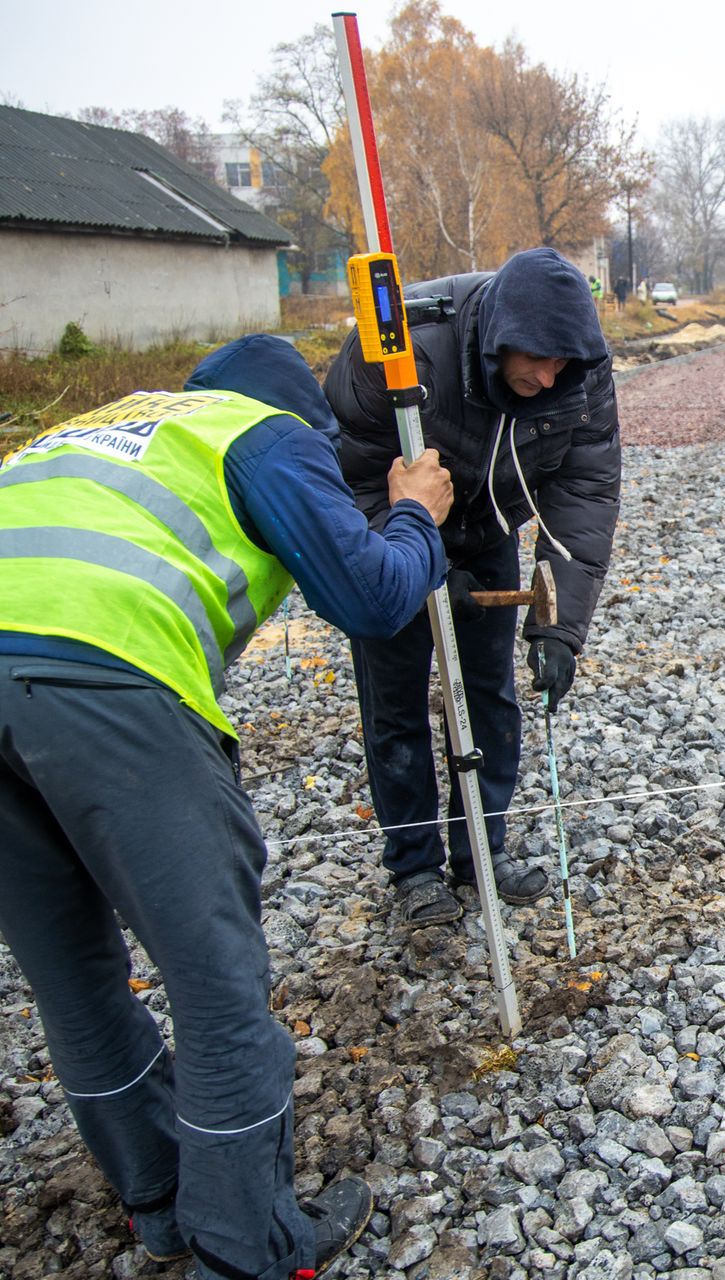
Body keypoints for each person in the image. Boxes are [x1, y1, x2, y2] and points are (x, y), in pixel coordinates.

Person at [0, 336, 452, 1278]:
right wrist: (415, 517)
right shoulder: (262, 434)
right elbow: (373, 599)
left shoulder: (91, 426)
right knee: (216, 986)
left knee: (74, 977)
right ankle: (248, 1247)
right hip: (101, 681)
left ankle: (160, 1201)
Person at [325, 247, 620, 928]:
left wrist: (559, 630)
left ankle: (479, 854)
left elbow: (584, 489)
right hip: (387, 535)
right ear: (497, 341)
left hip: (488, 531)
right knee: (395, 704)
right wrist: (410, 550)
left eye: (562, 365)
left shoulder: (580, 372)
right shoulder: (402, 349)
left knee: (490, 692)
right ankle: (415, 871)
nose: (548, 378)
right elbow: (343, 475)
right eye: (535, 360)